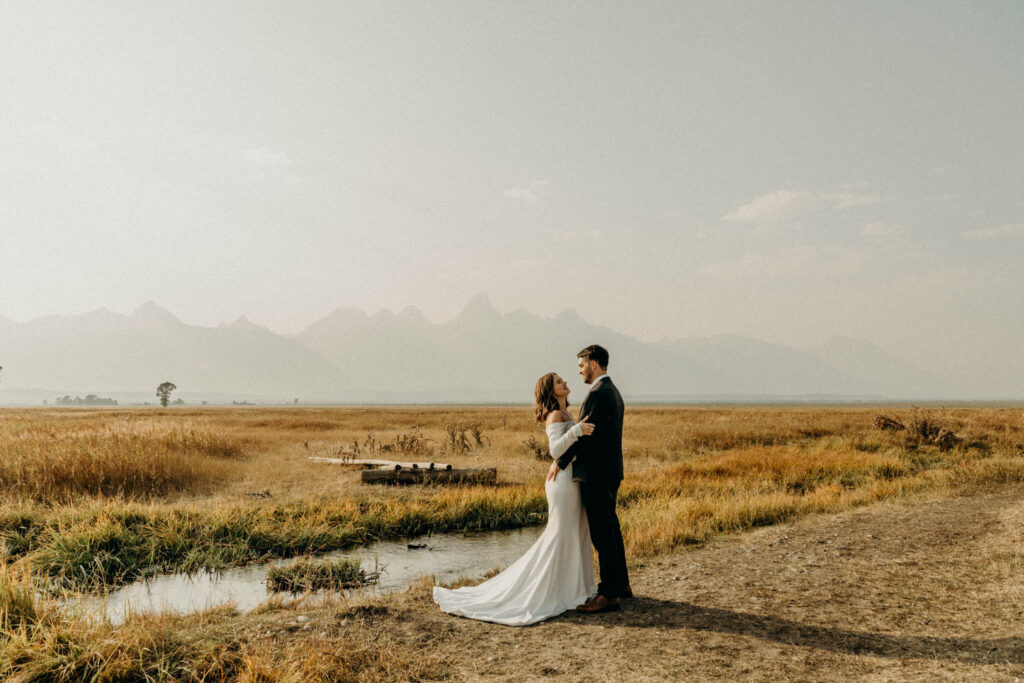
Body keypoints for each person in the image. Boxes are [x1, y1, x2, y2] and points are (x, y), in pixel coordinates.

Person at [433, 372, 597, 625]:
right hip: (562, 483)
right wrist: (576, 431)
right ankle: (549, 591)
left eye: (562, 380)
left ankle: (572, 589)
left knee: (575, 532)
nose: (565, 383)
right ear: (551, 391)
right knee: (561, 533)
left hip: (571, 480)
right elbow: (555, 450)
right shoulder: (555, 416)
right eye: (558, 382)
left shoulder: (566, 414)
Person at [547, 344, 631, 613]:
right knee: (612, 531)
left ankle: (609, 595)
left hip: (596, 475)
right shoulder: (613, 392)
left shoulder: (598, 393)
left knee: (602, 534)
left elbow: (586, 435)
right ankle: (621, 586)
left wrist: (559, 462)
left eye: (582, 365)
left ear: (594, 364)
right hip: (610, 472)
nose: (580, 370)